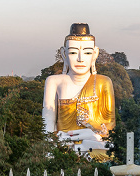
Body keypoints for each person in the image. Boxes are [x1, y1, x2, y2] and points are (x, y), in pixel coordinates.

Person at [42, 23, 115, 160]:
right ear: (64, 54)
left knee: (109, 147)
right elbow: (47, 125)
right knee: (63, 148)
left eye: (87, 52)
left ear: (95, 54)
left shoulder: (104, 82)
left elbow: (109, 129)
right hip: (64, 143)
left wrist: (88, 134)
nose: (80, 58)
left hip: (93, 143)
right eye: (73, 52)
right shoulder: (54, 81)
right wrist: (49, 151)